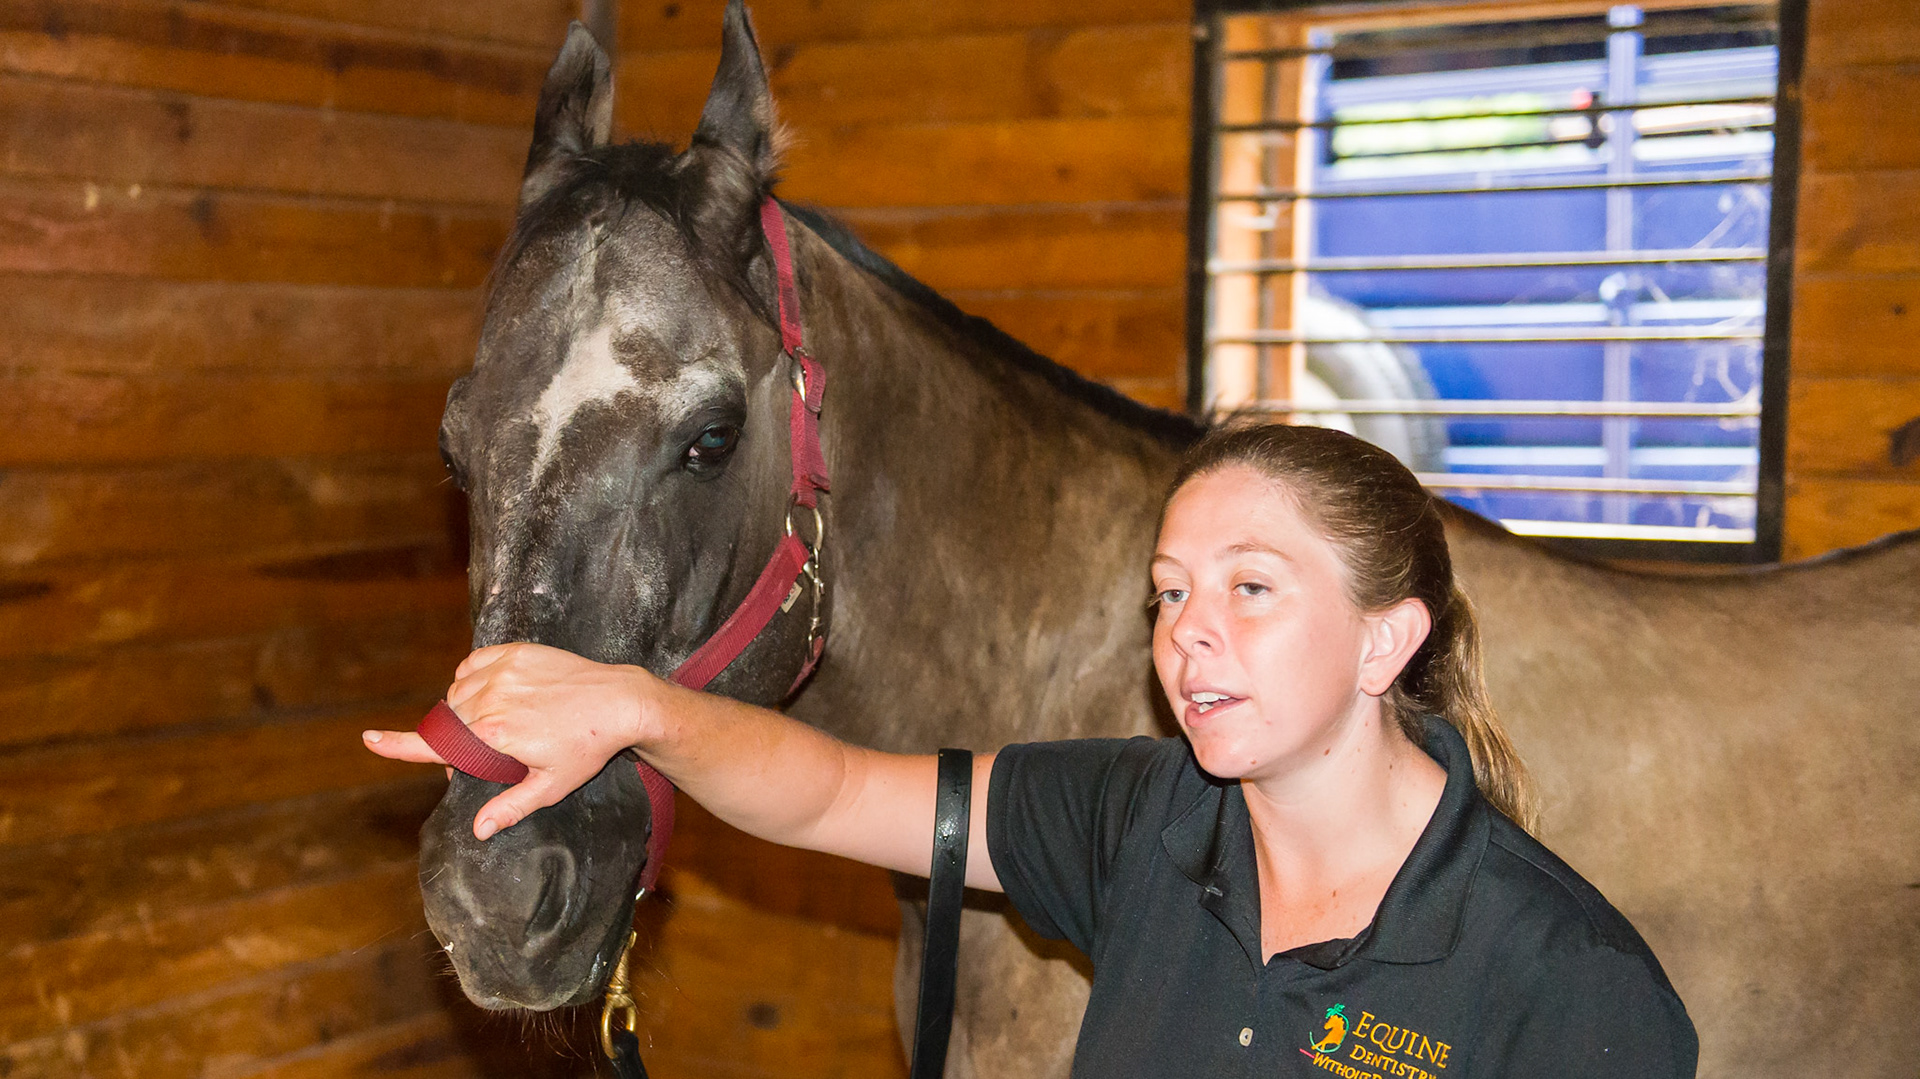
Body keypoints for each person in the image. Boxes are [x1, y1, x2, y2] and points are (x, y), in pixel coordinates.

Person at [364, 423, 1697, 1078]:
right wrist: (641, 709)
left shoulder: (1569, 986)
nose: (1189, 636)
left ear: (1381, 643)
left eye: (1250, 588)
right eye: (1170, 593)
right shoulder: (1140, 821)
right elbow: (834, 790)